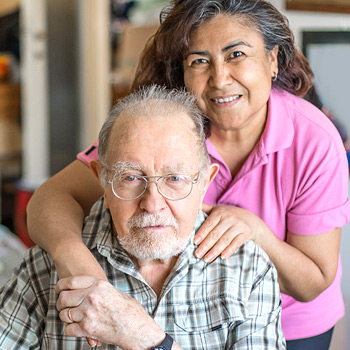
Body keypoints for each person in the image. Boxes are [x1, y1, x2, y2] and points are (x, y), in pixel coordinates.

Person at [26, 0, 350, 349]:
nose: (221, 79)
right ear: (181, 71)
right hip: (187, 317)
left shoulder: (314, 140)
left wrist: (255, 232)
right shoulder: (166, 131)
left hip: (293, 320)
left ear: (272, 60)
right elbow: (49, 199)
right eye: (199, 61)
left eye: (236, 55)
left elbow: (313, 281)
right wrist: (78, 264)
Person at [0, 85, 286, 349]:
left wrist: (147, 338)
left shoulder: (248, 269)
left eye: (174, 178)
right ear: (102, 179)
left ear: (204, 184)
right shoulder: (47, 267)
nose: (152, 204)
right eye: (131, 178)